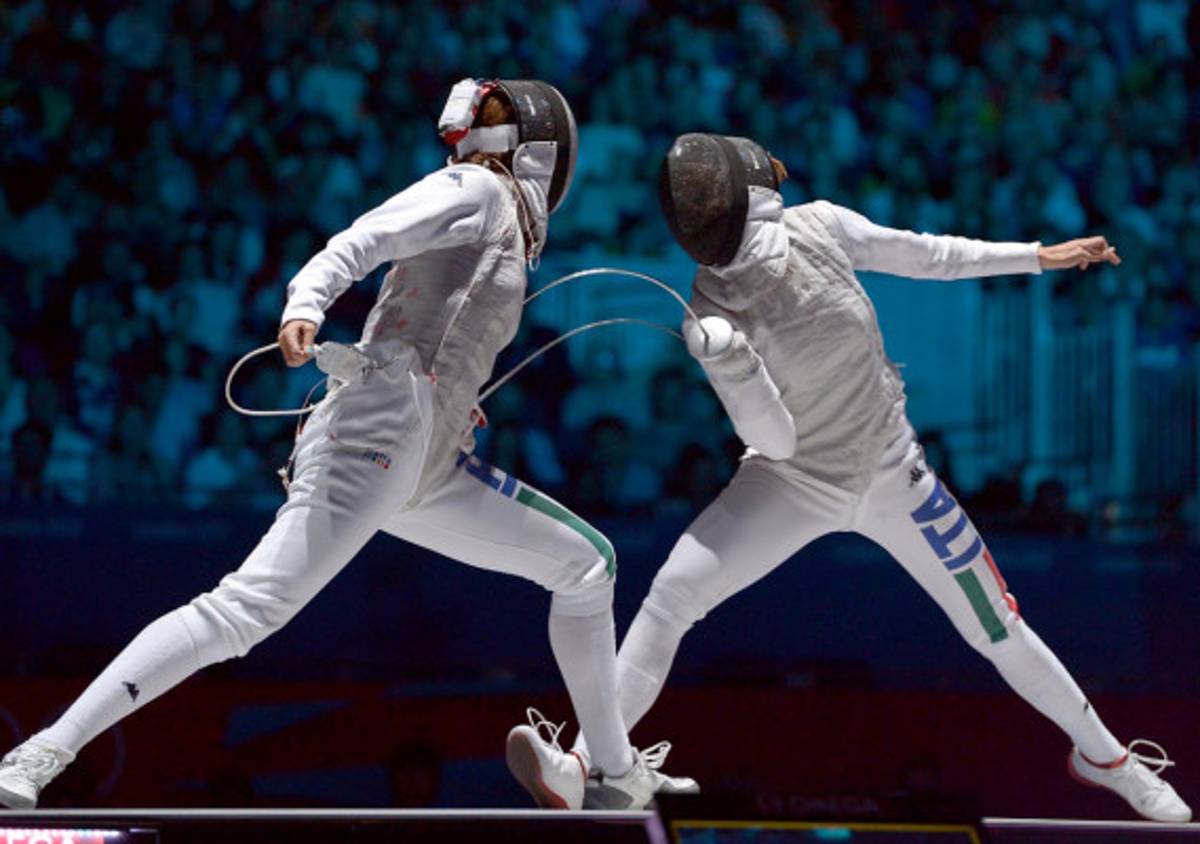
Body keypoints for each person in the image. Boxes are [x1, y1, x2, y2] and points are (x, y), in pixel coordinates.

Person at [0, 79, 689, 813]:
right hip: (377, 431)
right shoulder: (476, 190)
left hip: (425, 457)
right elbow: (364, 238)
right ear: (541, 150)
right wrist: (306, 302)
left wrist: (452, 406)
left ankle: (605, 772)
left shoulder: (498, 218)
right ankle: (42, 751)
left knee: (586, 565)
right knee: (244, 610)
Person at [566, 133, 1191, 821]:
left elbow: (929, 255)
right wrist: (733, 367)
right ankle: (587, 763)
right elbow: (773, 440)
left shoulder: (821, 225)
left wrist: (1037, 256)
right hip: (791, 482)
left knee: (997, 626)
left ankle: (1108, 760)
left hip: (895, 475)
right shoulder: (710, 305)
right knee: (672, 596)